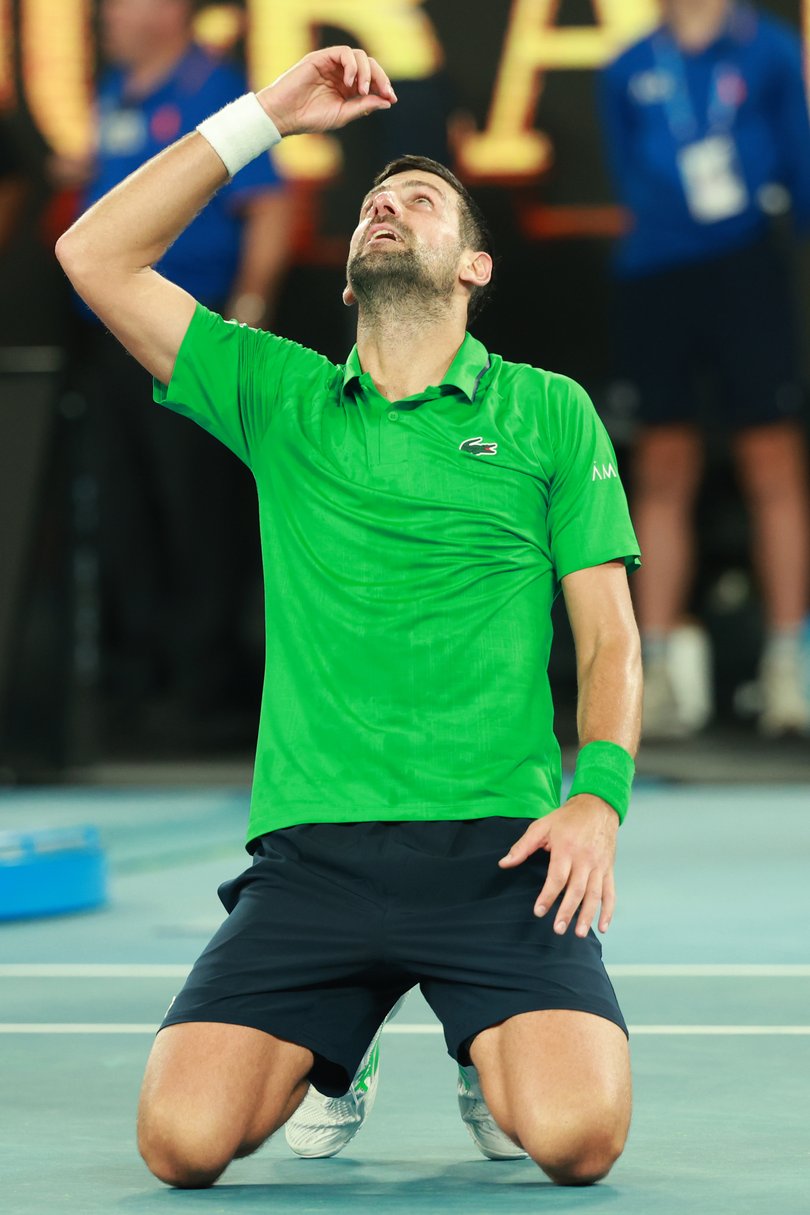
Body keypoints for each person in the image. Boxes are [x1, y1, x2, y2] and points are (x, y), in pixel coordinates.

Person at [56, 45, 642, 1188]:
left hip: (497, 850)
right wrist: (268, 116)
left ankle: (479, 1039)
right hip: (315, 863)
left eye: (422, 201)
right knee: (180, 1146)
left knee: (576, 1140)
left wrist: (600, 800)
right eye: (376, 200)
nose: (390, 205)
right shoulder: (280, 397)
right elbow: (94, 253)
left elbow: (610, 636)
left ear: (472, 265)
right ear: (343, 275)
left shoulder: (547, 411)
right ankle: (343, 1048)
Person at [67, 0, 290, 742]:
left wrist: (247, 313)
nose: (105, 16)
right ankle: (139, 684)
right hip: (108, 341)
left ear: (167, 8)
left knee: (196, 507)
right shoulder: (112, 95)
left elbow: (270, 206)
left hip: (188, 337)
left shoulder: (216, 90)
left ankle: (205, 687)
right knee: (125, 510)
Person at [600, 0, 810, 740]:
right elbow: (630, 174)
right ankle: (652, 673)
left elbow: (799, 159)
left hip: (750, 266)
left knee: (773, 458)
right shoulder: (628, 68)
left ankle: (791, 665)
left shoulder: (770, 51)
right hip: (657, 275)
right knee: (661, 462)